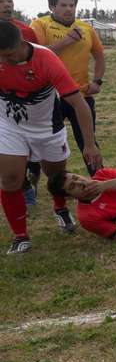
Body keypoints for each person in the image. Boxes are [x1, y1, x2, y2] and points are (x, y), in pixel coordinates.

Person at [0, 21, 102, 253]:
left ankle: (60, 208)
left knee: (55, 174)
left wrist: (89, 144)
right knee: (10, 179)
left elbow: (78, 103)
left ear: (20, 45)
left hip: (46, 126)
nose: (3, 61)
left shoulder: (45, 59)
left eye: (7, 55)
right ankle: (20, 235)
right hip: (9, 126)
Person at [31, 0, 106, 175]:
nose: (68, 9)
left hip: (79, 95)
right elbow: (36, 55)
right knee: (41, 141)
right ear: (51, 7)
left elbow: (99, 55)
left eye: (72, 5)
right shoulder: (40, 25)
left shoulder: (86, 28)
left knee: (88, 141)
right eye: (63, 5)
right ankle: (31, 179)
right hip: (48, 97)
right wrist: (66, 41)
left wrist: (97, 81)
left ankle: (100, 181)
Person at [0, 0, 41, 210]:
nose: (7, 5)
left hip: (24, 99)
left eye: (9, 0)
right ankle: (22, 186)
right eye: (1, 1)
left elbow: (38, 64)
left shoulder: (26, 31)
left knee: (28, 147)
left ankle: (30, 178)